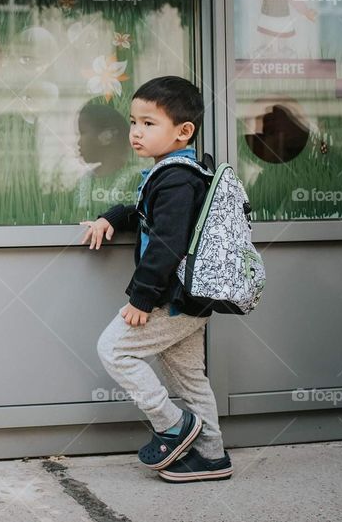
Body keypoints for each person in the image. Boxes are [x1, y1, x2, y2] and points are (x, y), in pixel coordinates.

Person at [80, 76, 233, 483]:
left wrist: (141, 299)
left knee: (114, 349)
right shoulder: (178, 172)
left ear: (184, 131)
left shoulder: (177, 178)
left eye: (149, 123)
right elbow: (147, 213)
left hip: (171, 298)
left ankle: (173, 426)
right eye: (133, 121)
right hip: (193, 299)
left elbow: (166, 244)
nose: (135, 132)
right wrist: (113, 216)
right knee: (189, 377)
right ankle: (212, 456)